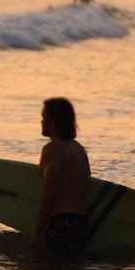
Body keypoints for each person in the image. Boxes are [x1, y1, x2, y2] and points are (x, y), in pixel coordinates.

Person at [32, 97, 91, 256]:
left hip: (60, 223)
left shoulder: (53, 149)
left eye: (44, 117)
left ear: (53, 121)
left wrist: (38, 232)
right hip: (80, 223)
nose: (41, 121)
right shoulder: (80, 150)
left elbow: (49, 191)